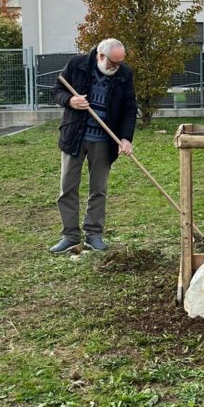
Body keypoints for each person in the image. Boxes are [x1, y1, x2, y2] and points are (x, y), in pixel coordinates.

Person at [49, 38, 137, 253]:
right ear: (100, 56)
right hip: (74, 137)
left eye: (120, 63)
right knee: (68, 188)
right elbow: (56, 90)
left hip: (104, 142)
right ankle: (70, 236)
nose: (117, 68)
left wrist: (125, 138)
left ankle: (93, 234)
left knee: (99, 189)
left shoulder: (124, 74)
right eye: (113, 63)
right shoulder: (77, 65)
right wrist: (70, 101)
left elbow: (129, 108)